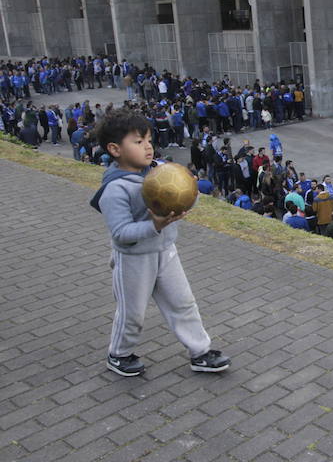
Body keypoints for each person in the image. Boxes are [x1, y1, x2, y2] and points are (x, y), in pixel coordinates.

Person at [88, 108, 229, 376]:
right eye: (138, 142)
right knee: (132, 313)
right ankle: (119, 354)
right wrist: (154, 225)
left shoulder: (161, 171)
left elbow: (187, 199)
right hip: (133, 259)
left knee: (183, 303)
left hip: (165, 251)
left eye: (149, 140)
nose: (148, 147)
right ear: (115, 149)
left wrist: (190, 189)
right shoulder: (115, 188)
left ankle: (200, 352)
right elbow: (120, 233)